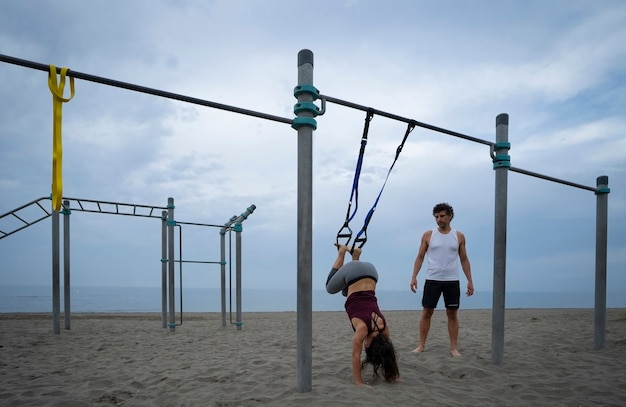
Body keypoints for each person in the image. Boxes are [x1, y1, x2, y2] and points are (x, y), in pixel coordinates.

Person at [326, 244, 400, 386]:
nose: (365, 345)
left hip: (372, 272)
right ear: (368, 344)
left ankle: (356, 256)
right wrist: (359, 382)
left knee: (344, 291)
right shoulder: (362, 329)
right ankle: (342, 252)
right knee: (330, 288)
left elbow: (388, 354)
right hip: (354, 273)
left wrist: (393, 377)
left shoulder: (384, 328)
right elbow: (355, 356)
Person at [409, 202, 474, 357]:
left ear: (450, 216)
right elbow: (420, 256)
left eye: (442, 216)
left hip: (452, 280)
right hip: (432, 279)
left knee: (452, 313)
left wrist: (470, 281)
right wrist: (414, 277)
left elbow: (464, 259)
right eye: (437, 216)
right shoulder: (428, 235)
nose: (439, 219)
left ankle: (453, 348)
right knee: (427, 312)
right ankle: (421, 345)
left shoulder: (458, 236)